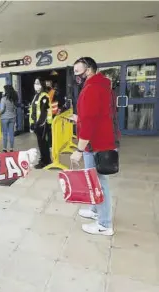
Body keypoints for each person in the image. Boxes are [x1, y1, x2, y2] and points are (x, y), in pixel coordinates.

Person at [70, 57, 119, 236]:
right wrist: (79, 118)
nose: (76, 76)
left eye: (78, 71)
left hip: (97, 143)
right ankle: (96, 210)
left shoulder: (92, 88)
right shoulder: (103, 85)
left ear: (89, 70)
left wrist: (79, 150)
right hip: (103, 140)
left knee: (99, 182)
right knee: (95, 180)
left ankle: (105, 224)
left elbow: (90, 122)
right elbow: (98, 114)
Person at [29, 78, 52, 169]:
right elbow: (33, 111)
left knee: (43, 144)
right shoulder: (36, 95)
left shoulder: (44, 96)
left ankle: (45, 161)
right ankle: (44, 159)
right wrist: (32, 123)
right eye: (35, 83)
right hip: (36, 124)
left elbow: (44, 112)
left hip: (42, 124)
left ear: (42, 84)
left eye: (38, 83)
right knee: (41, 143)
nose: (36, 85)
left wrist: (38, 124)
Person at [0, 85, 17, 152]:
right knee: (11, 133)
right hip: (12, 117)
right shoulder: (13, 98)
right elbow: (14, 108)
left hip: (4, 118)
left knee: (5, 133)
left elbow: (2, 109)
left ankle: (4, 149)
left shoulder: (3, 99)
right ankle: (11, 148)